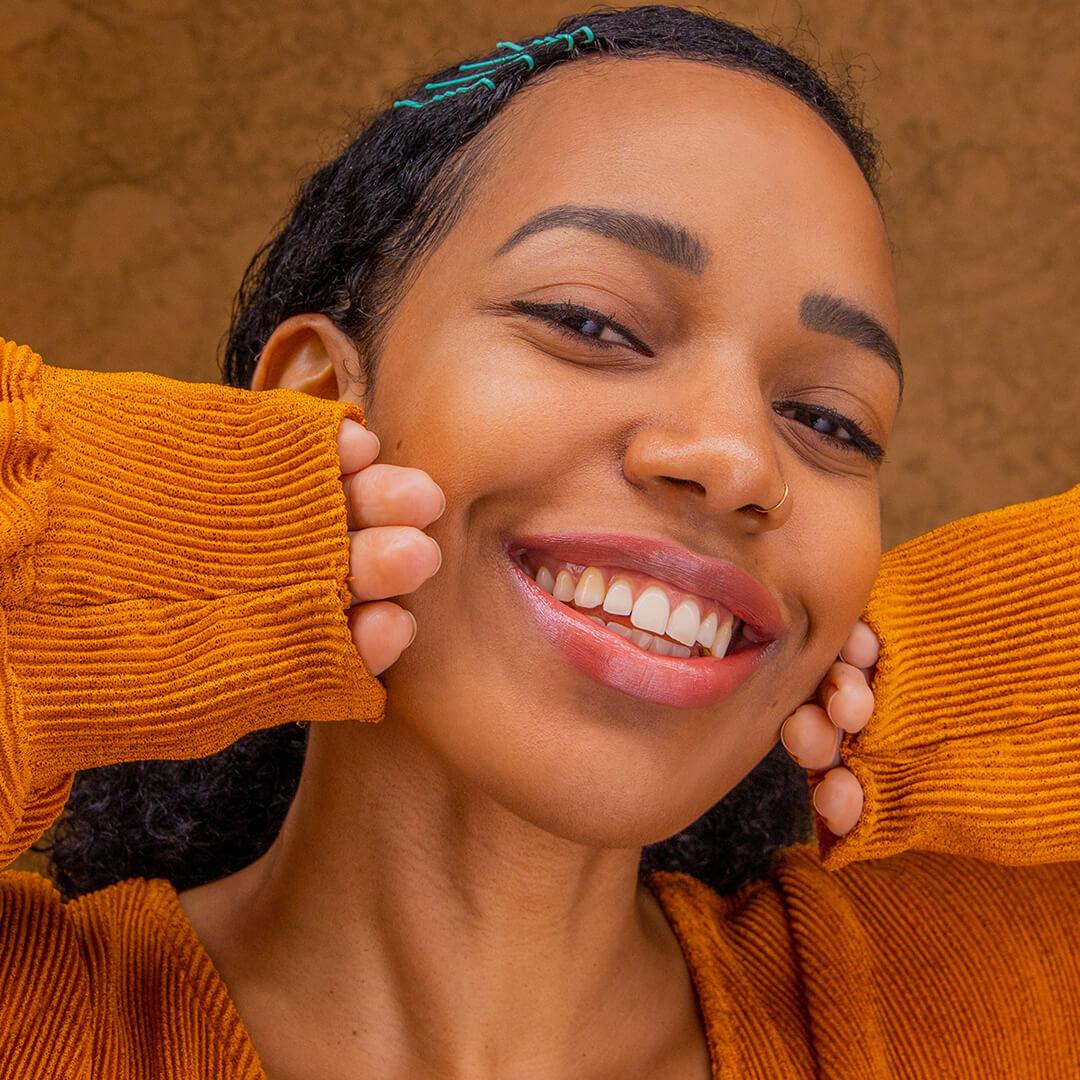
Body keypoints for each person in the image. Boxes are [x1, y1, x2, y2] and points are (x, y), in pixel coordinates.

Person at [1, 6, 1077, 1078]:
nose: (739, 459)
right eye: (591, 320)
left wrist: (995, 674)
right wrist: (137, 542)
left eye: (832, 421)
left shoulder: (963, 1009)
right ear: (316, 408)